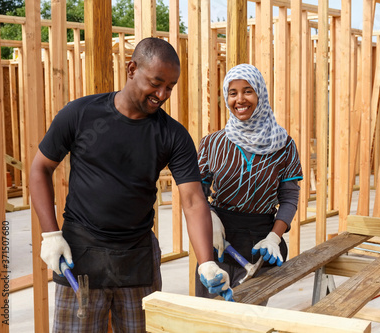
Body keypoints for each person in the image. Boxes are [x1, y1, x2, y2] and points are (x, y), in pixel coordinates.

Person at [30, 37, 231, 332]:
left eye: (170, 87)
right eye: (156, 82)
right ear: (132, 68)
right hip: (81, 255)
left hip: (137, 259)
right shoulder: (81, 114)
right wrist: (50, 234)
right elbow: (40, 168)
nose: (162, 94)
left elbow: (193, 200)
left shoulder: (172, 135)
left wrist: (206, 262)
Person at [195, 64, 303, 299]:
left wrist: (275, 236)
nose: (240, 99)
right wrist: (209, 218)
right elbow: (196, 194)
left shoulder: (283, 145)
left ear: (260, 94)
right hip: (217, 240)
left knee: (248, 321)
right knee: (208, 320)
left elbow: (289, 197)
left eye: (248, 91)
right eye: (233, 93)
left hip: (259, 244)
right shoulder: (212, 143)